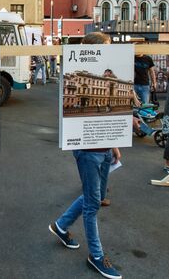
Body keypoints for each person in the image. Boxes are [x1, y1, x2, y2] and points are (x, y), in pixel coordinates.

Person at [49, 32, 122, 279]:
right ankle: (97, 256)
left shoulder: (108, 75)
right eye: (107, 48)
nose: (110, 52)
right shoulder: (78, 74)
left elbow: (110, 109)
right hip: (89, 151)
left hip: (102, 148)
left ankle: (61, 225)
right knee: (93, 203)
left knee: (94, 195)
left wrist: (113, 142)